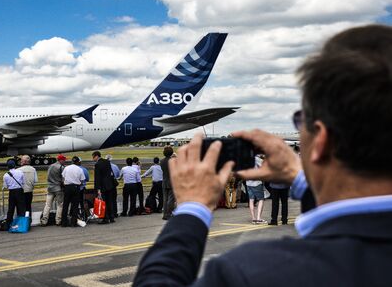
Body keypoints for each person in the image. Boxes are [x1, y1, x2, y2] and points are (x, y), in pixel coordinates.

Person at [134, 25, 392, 286]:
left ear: (321, 139)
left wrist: (192, 207)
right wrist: (301, 178)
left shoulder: (252, 273)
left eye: (300, 120)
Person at [41, 154, 65, 226]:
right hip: (58, 188)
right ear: (60, 160)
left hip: (50, 188)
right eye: (63, 160)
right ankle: (58, 220)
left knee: (47, 205)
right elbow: (63, 179)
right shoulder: (61, 167)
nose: (64, 161)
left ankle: (44, 220)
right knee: (60, 205)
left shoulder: (50, 166)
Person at [61, 156, 86, 227]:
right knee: (75, 205)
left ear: (72, 161)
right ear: (78, 162)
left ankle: (64, 222)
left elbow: (63, 178)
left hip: (67, 187)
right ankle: (73, 222)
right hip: (75, 187)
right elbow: (82, 180)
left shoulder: (66, 168)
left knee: (65, 205)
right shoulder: (79, 169)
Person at [92, 151, 115, 224]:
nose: (93, 159)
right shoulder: (107, 162)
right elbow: (111, 173)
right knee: (110, 202)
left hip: (103, 186)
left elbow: (97, 178)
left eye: (93, 157)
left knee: (103, 203)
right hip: (109, 185)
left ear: (97, 156)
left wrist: (98, 189)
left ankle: (105, 218)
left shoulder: (97, 164)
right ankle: (112, 217)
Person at [3, 160, 25, 227]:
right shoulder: (20, 172)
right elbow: (23, 182)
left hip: (12, 192)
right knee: (21, 208)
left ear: (8, 167)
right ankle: (21, 224)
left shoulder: (6, 175)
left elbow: (5, 186)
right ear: (15, 165)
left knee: (11, 209)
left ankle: (9, 224)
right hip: (19, 191)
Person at [246, 156, 266, 224]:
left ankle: (253, 218)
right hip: (256, 182)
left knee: (251, 200)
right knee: (261, 199)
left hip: (248, 182)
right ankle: (258, 218)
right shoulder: (256, 158)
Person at [160, 146, 175, 220]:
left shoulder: (162, 161)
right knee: (171, 199)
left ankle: (165, 214)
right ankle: (169, 213)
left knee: (165, 199)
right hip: (172, 181)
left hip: (165, 181)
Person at [106, 154, 120, 219]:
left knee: (108, 200)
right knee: (114, 200)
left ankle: (108, 213)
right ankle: (115, 213)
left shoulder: (104, 166)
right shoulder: (115, 166)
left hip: (106, 185)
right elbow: (118, 175)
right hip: (113, 185)